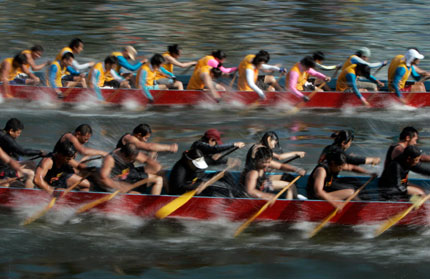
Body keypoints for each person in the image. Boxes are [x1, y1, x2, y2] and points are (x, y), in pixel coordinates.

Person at [243, 132, 306, 199]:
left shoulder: (263, 153)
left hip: (262, 179)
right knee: (290, 186)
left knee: (288, 178)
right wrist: (296, 153)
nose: (274, 146)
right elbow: (279, 157)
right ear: (269, 139)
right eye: (274, 143)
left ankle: (294, 198)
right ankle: (290, 203)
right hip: (257, 183)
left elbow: (280, 166)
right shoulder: (260, 150)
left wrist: (297, 170)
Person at [307, 150, 375, 209]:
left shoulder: (335, 164)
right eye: (340, 167)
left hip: (326, 189)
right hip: (315, 197)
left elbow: (351, 168)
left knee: (353, 185)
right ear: (333, 163)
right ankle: (360, 209)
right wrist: (333, 202)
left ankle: (358, 206)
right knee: (350, 192)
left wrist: (369, 173)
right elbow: (318, 192)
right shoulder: (321, 171)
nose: (341, 169)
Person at [91, 143, 163, 195]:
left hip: (127, 175)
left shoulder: (130, 150)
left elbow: (147, 160)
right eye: (131, 160)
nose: (133, 161)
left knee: (158, 176)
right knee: (157, 180)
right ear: (124, 155)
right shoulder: (110, 159)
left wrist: (156, 166)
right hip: (117, 181)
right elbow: (103, 178)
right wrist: (119, 186)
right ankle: (151, 206)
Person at [168, 148, 239, 197]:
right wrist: (195, 186)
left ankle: (236, 194)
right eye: (196, 165)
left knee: (226, 175)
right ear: (189, 161)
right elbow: (177, 187)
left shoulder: (198, 159)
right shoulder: (180, 168)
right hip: (187, 188)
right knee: (214, 189)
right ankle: (228, 198)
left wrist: (228, 161)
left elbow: (212, 160)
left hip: (200, 181)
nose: (198, 167)